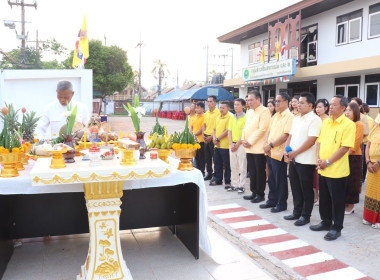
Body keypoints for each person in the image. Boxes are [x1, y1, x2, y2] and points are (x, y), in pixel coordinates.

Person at [310, 95, 355, 241]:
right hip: (323, 167)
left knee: (337, 201)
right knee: (325, 199)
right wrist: (318, 159)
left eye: (335, 104)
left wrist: (327, 162)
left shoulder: (348, 124)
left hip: (337, 170)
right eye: (331, 104)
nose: (331, 107)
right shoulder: (327, 122)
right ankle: (326, 222)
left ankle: (337, 228)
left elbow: (344, 148)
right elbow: (320, 142)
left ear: (343, 108)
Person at [284, 92, 322, 226]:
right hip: (294, 158)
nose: (298, 105)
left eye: (301, 103)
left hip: (306, 160)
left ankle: (306, 216)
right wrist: (286, 149)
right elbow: (291, 135)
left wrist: (295, 153)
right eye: (298, 102)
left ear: (310, 105)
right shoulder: (296, 118)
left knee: (305, 188)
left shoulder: (315, 119)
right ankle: (296, 212)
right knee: (295, 187)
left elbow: (311, 140)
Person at [261, 92, 293, 212]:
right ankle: (272, 199)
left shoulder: (289, 117)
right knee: (271, 178)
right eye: (276, 101)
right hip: (270, 152)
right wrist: (266, 145)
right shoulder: (275, 116)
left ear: (286, 102)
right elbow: (268, 132)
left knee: (280, 180)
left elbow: (285, 135)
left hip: (279, 153)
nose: (276, 103)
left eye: (279, 101)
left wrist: (270, 145)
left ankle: (281, 203)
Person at [242, 90, 271, 203]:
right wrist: (244, 140)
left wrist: (250, 141)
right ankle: (253, 191)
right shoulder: (249, 111)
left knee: (259, 171)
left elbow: (263, 129)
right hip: (248, 146)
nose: (249, 102)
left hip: (258, 147)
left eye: (251, 100)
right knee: (252, 171)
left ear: (258, 100)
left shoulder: (264, 111)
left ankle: (260, 193)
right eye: (248, 100)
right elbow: (245, 127)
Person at [344, 102, 364, 214]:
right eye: (346, 110)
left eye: (350, 110)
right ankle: (345, 202)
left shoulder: (358, 124)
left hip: (354, 156)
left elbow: (355, 144)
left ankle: (351, 206)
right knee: (345, 181)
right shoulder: (346, 124)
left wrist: (343, 155)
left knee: (353, 181)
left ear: (355, 112)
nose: (347, 113)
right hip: (344, 155)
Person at [227, 98, 247, 193]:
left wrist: (237, 144)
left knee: (242, 166)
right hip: (232, 144)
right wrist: (231, 143)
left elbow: (245, 133)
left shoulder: (246, 117)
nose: (236, 106)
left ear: (243, 106)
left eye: (238, 104)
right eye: (235, 104)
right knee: (233, 166)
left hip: (241, 144)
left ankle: (241, 185)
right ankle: (234, 184)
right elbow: (229, 131)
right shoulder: (232, 117)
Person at [363, 122, 380, 229]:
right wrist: (368, 161)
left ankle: (378, 219)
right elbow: (368, 146)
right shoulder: (375, 128)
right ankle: (368, 217)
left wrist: (379, 163)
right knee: (371, 192)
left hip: (378, 165)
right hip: (371, 166)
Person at [313, 99, 330, 206]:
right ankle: (315, 196)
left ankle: (321, 198)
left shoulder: (327, 120)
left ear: (326, 108)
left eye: (320, 107)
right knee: (314, 175)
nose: (317, 109)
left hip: (322, 147)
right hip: (313, 146)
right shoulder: (316, 119)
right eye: (317, 107)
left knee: (320, 175)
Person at [211, 101, 232, 187]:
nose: (221, 109)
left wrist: (217, 139)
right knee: (217, 163)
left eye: (223, 108)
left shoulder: (230, 117)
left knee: (227, 165)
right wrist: (214, 139)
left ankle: (227, 181)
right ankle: (218, 180)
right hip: (216, 145)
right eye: (220, 107)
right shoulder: (217, 117)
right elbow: (213, 129)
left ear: (228, 108)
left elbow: (227, 131)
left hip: (225, 145)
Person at [203, 95, 220, 181]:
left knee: (215, 158)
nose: (208, 103)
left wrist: (211, 137)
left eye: (210, 101)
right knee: (207, 158)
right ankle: (209, 173)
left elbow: (219, 127)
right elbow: (204, 125)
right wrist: (203, 134)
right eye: (208, 101)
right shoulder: (206, 113)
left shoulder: (218, 113)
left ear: (215, 103)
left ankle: (215, 175)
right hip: (206, 137)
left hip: (214, 138)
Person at [191, 102, 205, 175]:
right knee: (196, 156)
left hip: (201, 140)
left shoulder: (204, 116)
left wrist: (194, 134)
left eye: (198, 108)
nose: (196, 109)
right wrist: (191, 134)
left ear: (202, 108)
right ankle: (197, 171)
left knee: (201, 157)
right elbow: (191, 126)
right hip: (195, 140)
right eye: (196, 108)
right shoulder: (195, 116)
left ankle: (202, 171)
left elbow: (202, 129)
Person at [362, 103, 375, 182]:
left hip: (366, 143)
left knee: (364, 163)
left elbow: (367, 132)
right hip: (363, 142)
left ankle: (362, 178)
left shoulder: (369, 119)